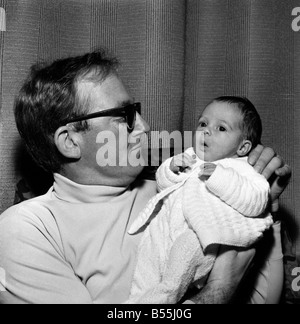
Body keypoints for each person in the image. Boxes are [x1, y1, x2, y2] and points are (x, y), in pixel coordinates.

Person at [0, 50, 291, 304]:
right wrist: (219, 291)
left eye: (136, 112)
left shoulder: (176, 187)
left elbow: (262, 299)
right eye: (124, 116)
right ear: (70, 141)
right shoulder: (29, 230)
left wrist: (267, 206)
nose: (145, 126)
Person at [127, 96, 277, 304]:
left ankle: (164, 299)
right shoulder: (190, 156)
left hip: (202, 238)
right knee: (146, 258)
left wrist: (218, 176)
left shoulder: (244, 169)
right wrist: (171, 170)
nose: (206, 130)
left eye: (221, 128)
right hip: (165, 233)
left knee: (182, 256)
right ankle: (134, 302)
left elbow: (257, 200)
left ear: (242, 148)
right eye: (203, 123)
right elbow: (162, 183)